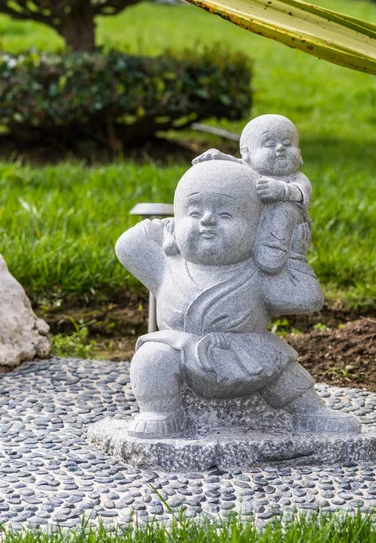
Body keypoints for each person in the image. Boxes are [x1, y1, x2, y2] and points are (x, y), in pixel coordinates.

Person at [116, 161, 359, 438]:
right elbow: (128, 245)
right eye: (194, 213)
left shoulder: (258, 272)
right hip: (180, 351)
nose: (207, 220)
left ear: (258, 229)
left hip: (247, 354)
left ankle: (310, 410)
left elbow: (308, 300)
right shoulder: (166, 265)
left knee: (283, 368)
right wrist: (168, 231)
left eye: (226, 214)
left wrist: (292, 255)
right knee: (151, 358)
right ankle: (161, 412)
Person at [192, 114, 312, 275]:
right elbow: (236, 165)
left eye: (287, 144)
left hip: (292, 227)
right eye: (270, 144)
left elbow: (302, 193)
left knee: (285, 209)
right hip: (250, 226)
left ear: (299, 152)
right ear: (246, 154)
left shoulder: (296, 178)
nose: (280, 149)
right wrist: (219, 158)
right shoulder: (249, 169)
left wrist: (282, 191)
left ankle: (273, 248)